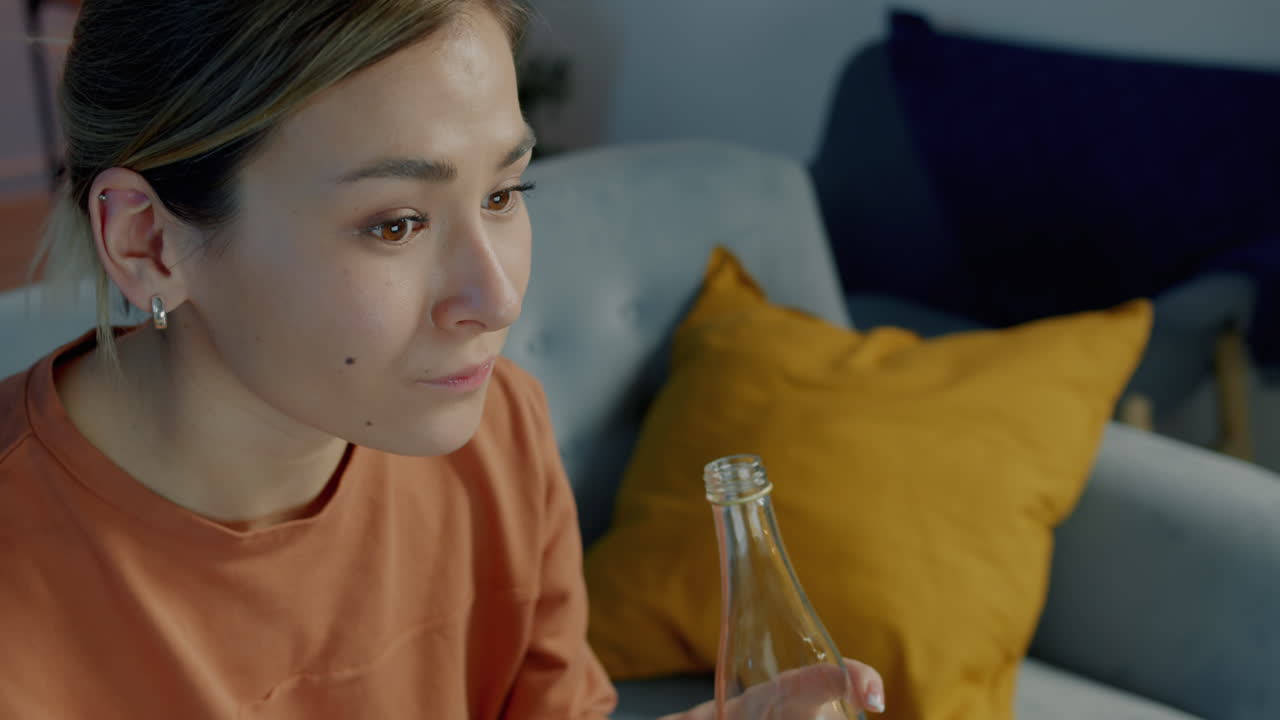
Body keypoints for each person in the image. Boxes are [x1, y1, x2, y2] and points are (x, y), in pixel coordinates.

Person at [0, 1, 885, 717]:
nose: (498, 299)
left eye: (504, 192)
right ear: (150, 241)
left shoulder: (499, 433)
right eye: (396, 223)